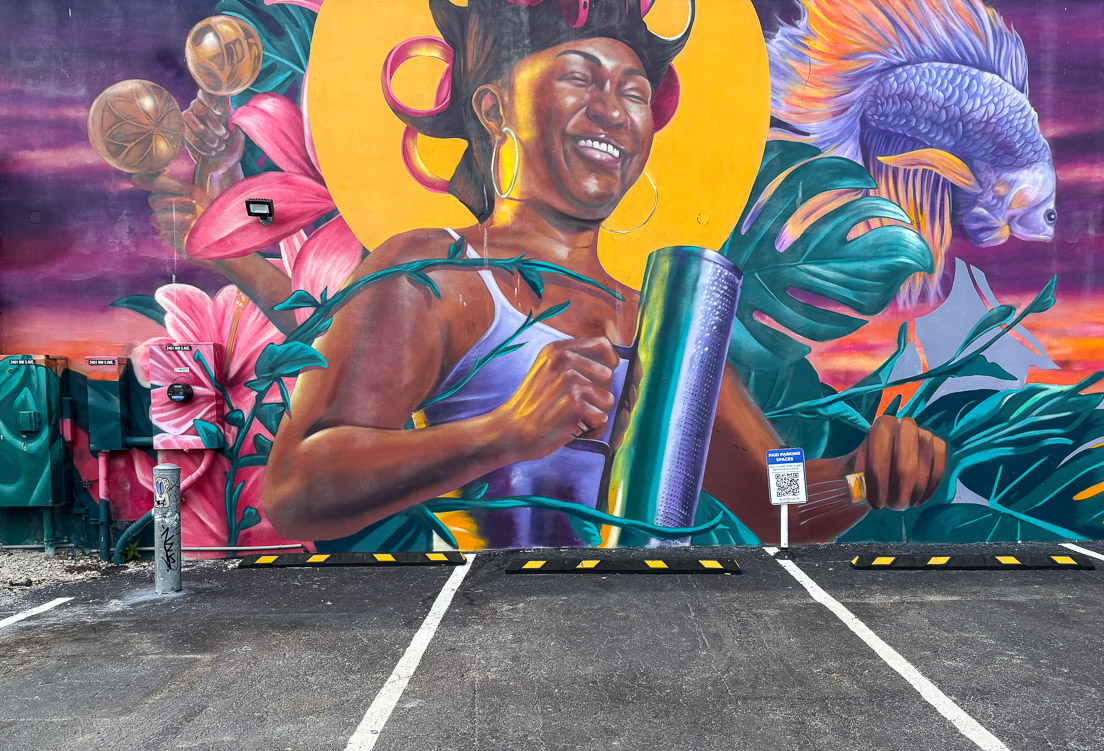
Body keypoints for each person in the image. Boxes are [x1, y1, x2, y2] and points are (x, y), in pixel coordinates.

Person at [159, 0, 949, 547]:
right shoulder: (435, 274)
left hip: (648, 654)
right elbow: (297, 486)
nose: (613, 109)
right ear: (494, 107)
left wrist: (862, 476)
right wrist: (503, 432)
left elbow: (779, 501)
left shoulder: (661, 319)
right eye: (579, 75)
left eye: (633, 92)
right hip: (487, 647)